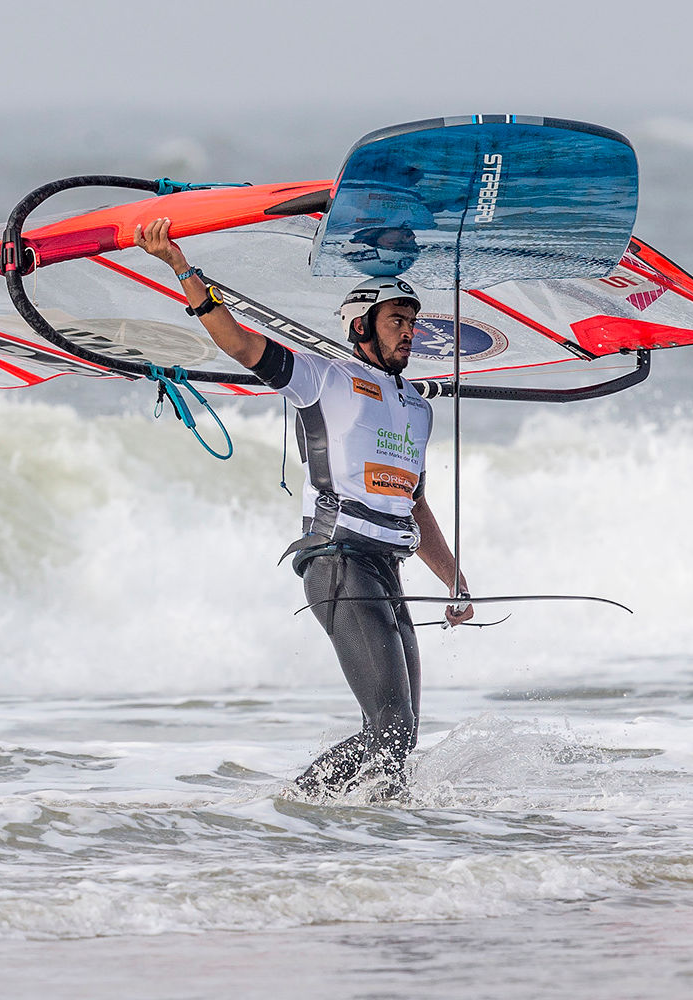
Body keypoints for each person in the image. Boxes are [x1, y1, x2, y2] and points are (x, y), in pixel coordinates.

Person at [136, 217, 473, 799]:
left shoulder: (418, 407)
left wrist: (456, 581)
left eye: (412, 323)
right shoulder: (324, 378)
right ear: (362, 326)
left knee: (401, 738)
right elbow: (239, 343)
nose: (409, 333)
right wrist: (179, 267)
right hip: (338, 560)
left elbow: (416, 506)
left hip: (386, 569)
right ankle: (292, 808)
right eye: (397, 321)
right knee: (390, 733)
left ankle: (382, 847)